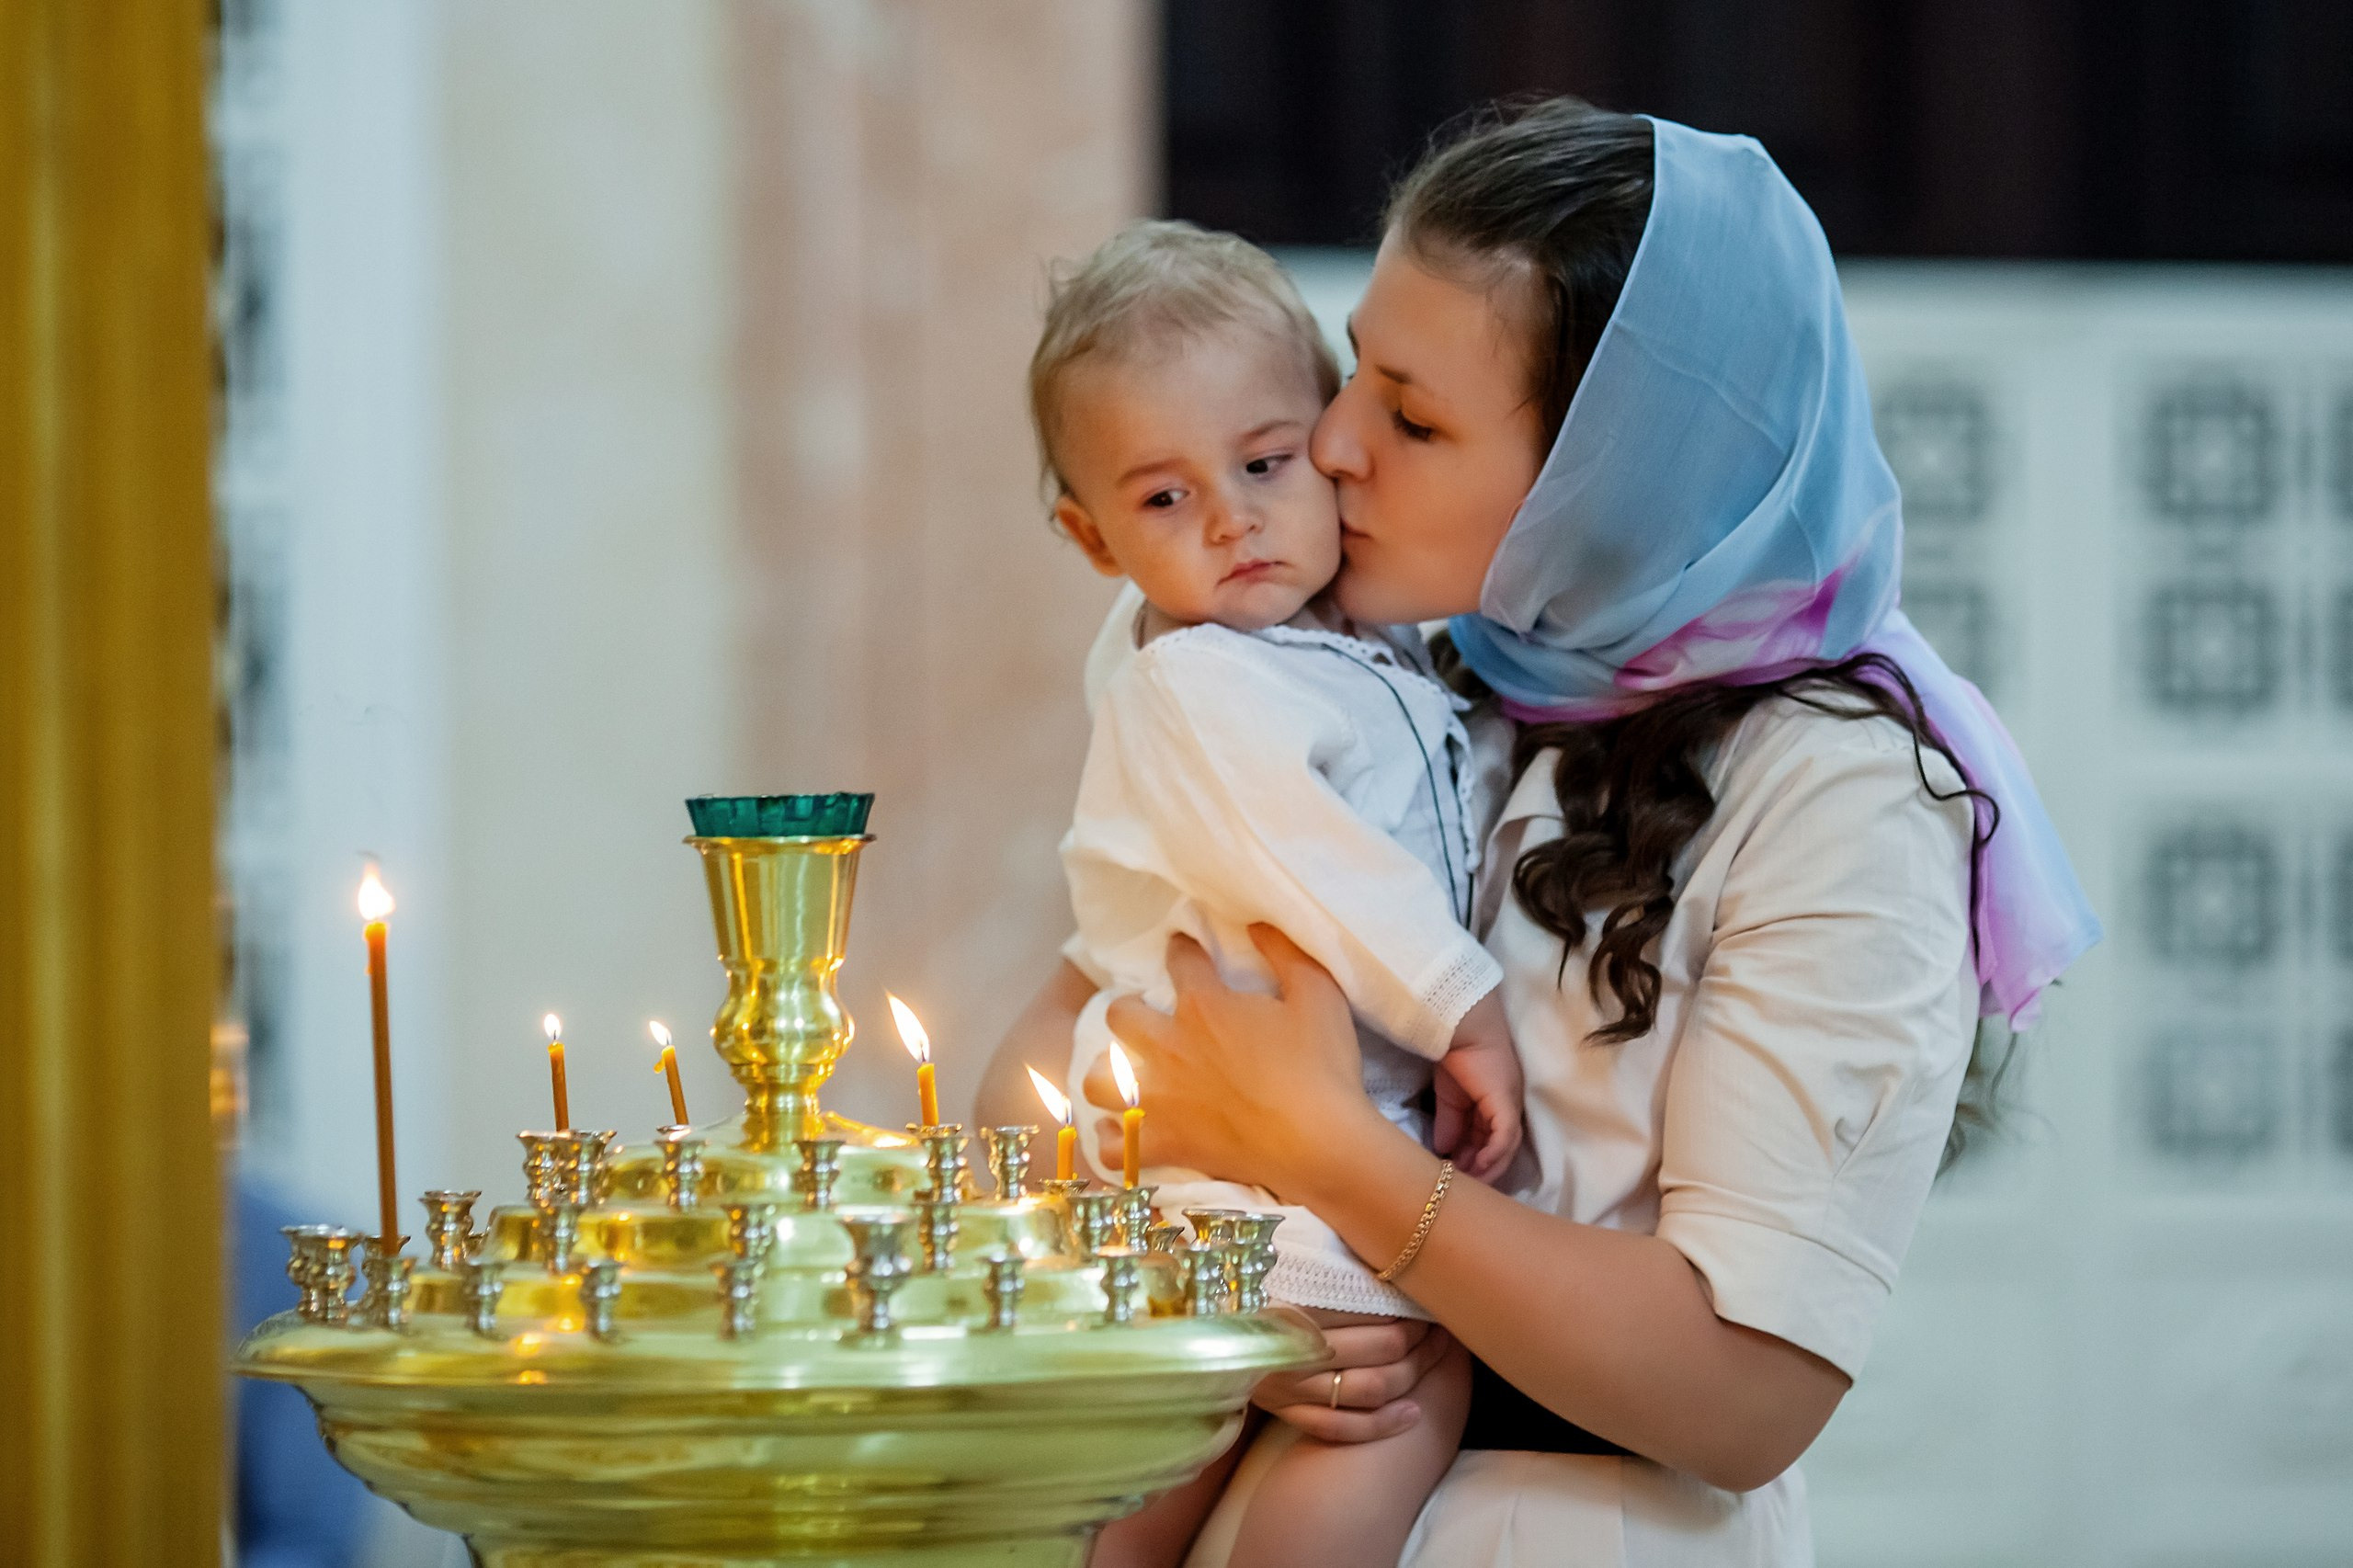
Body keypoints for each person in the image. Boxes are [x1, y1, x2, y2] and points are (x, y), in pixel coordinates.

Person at [977, 99, 2100, 1565]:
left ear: (1610, 478)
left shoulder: (1843, 791)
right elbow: (1059, 1066)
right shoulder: (1414, 690)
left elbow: (1745, 1386)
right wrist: (1227, 1312)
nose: (1331, 444)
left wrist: (1333, 1161)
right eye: (1356, 371)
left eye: (1413, 416)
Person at [1025, 218, 1527, 1568]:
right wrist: (1467, 1009)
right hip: (1254, 1156)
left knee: (1181, 1446)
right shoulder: (1197, 685)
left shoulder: (1341, 644)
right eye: (1165, 498)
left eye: (1263, 462)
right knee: (1401, 1391)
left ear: (1333, 437)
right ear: (1092, 537)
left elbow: (1432, 772)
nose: (1235, 518)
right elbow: (1324, 868)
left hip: (1266, 1144)